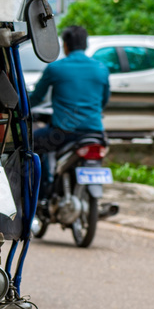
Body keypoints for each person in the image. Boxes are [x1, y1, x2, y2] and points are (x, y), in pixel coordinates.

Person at [28, 25, 110, 199]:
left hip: (63, 133)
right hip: (95, 132)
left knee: (32, 144)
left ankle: (42, 194)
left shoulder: (55, 68)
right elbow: (103, 100)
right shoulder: (101, 68)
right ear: (85, 44)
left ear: (65, 45)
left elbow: (35, 98)